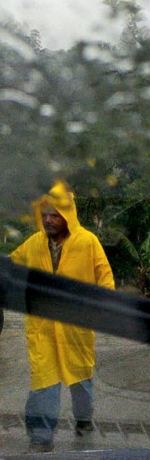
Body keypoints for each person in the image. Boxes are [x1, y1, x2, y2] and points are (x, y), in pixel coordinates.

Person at [10, 181, 115, 452]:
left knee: (80, 381)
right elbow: (11, 266)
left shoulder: (88, 242)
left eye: (54, 214)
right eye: (44, 214)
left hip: (75, 328)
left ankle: (83, 419)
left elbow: (104, 277)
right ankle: (40, 438)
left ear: (67, 216)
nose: (48, 219)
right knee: (44, 380)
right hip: (42, 327)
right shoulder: (33, 244)